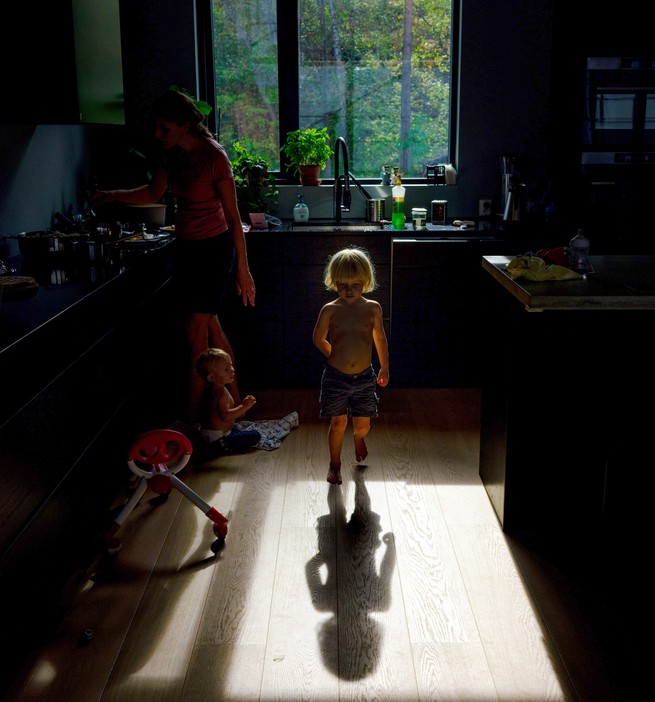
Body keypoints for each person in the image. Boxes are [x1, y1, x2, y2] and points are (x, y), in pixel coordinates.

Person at [91, 87, 255, 424]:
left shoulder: (214, 157)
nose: (157, 134)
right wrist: (113, 195)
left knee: (196, 334)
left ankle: (190, 419)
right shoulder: (169, 155)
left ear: (184, 124)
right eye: (157, 127)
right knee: (210, 326)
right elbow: (154, 192)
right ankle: (235, 409)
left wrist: (244, 269)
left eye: (165, 128)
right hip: (186, 248)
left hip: (213, 249)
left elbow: (233, 216)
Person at [312, 247, 390, 485]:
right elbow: (318, 338)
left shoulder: (372, 308)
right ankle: (335, 465)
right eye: (342, 284)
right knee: (337, 422)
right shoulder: (330, 310)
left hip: (365, 377)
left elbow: (379, 338)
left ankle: (358, 438)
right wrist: (333, 354)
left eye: (355, 284)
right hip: (336, 377)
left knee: (362, 423)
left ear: (365, 282)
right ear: (333, 282)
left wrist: (384, 367)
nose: (348, 289)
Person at [195, 347, 261, 453]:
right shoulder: (221, 393)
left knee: (238, 428)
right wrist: (243, 407)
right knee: (256, 435)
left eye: (230, 365)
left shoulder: (208, 390)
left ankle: (210, 443)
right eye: (226, 369)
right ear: (212, 377)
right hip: (220, 439)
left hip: (207, 434)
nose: (232, 370)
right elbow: (225, 416)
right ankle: (220, 447)